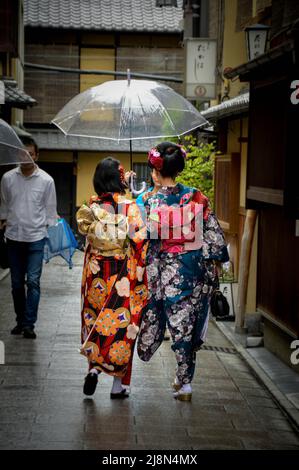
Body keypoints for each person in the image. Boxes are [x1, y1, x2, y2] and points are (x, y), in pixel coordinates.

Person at [137, 141, 229, 401]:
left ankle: (150, 357)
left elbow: (137, 236)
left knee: (155, 316)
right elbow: (212, 234)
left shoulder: (146, 201)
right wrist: (217, 262)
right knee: (184, 325)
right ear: (178, 169)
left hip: (158, 270)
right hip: (190, 268)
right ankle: (184, 382)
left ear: (155, 172)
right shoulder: (196, 196)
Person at [76, 157, 148, 398]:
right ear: (120, 179)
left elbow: (87, 237)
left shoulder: (92, 205)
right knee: (123, 326)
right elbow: (139, 239)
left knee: (96, 320)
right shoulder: (129, 207)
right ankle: (119, 387)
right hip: (122, 275)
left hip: (96, 273)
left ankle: (94, 369)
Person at [0, 136, 58, 339]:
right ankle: (19, 320)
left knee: (33, 281)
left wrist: (51, 237)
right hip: (14, 236)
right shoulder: (7, 178)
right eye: (22, 153)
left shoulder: (46, 180)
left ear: (36, 155)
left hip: (36, 236)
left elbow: (51, 211)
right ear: (17, 154)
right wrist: (4, 220)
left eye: (30, 154)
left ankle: (29, 324)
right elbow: (5, 205)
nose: (26, 157)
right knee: (16, 284)